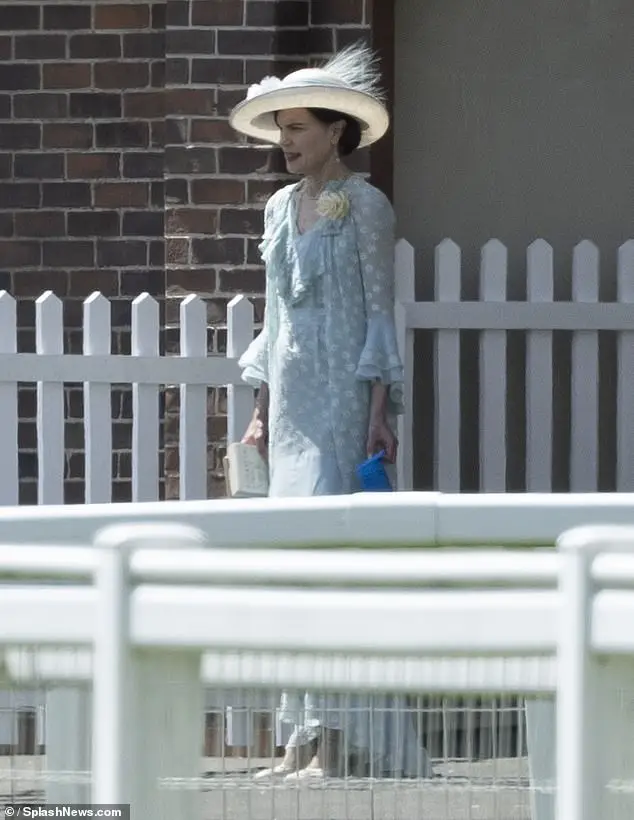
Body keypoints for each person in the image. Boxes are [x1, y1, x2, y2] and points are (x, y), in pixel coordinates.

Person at [228, 43, 431, 782]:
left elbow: (381, 313)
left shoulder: (367, 206)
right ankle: (300, 739)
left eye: (301, 129)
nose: (287, 142)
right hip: (289, 411)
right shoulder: (279, 207)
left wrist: (382, 410)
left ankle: (341, 743)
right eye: (282, 129)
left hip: (343, 401)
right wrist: (260, 410)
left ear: (336, 134)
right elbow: (277, 316)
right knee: (291, 561)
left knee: (329, 563)